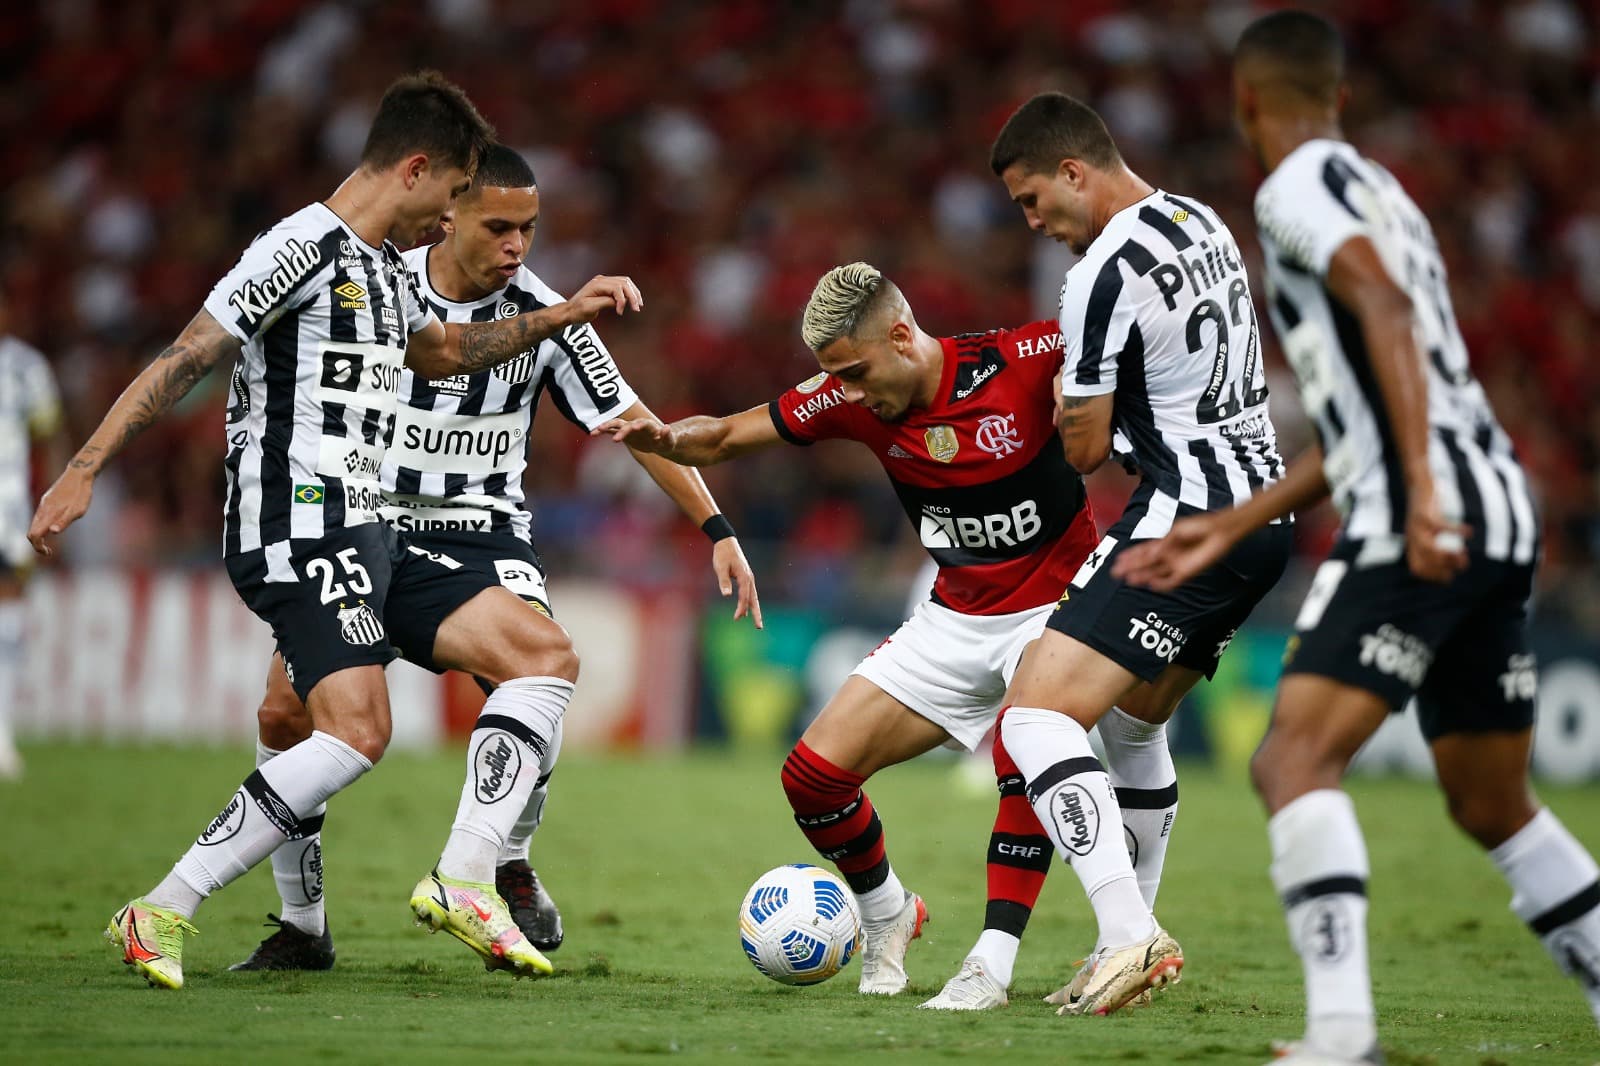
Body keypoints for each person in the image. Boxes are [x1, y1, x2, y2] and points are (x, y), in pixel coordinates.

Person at [29, 71, 645, 991]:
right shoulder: (300, 248)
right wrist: (83, 466)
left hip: (373, 530)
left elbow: (438, 351)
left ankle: (380, 904)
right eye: (449, 196)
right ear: (414, 168)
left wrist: (560, 316)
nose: (451, 219)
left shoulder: (386, 267)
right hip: (296, 522)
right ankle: (163, 906)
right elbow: (191, 353)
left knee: (537, 656)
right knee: (357, 732)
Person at [1112, 11, 1600, 1061]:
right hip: (1498, 503)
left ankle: (1339, 1037)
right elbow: (1381, 387)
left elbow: (1377, 310)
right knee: (1490, 800)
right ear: (1336, 94)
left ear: (1248, 102)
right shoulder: (1389, 196)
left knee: (1292, 757)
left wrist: (1421, 493)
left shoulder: (1293, 190)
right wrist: (1232, 524)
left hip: (1423, 510)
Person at [227, 144, 762, 972]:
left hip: (483, 533)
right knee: (283, 717)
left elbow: (634, 423)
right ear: (449, 216)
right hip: (367, 524)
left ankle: (496, 862)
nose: (519, 245)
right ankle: (303, 927)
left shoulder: (545, 317)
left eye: (531, 228)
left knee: (537, 667)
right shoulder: (379, 286)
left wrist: (717, 528)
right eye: (500, 226)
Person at [598, 262, 1183, 1007]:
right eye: (834, 376)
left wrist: (1091, 395)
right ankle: (887, 913)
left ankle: (990, 963)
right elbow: (723, 436)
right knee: (812, 778)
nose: (847, 390)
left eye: (854, 370)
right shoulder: (850, 399)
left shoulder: (1026, 360)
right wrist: (667, 439)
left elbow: (1125, 365)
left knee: (1022, 746)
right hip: (952, 617)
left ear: (902, 336)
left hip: (1054, 610)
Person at [987, 91, 1292, 1016]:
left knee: (1034, 717)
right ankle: (1126, 947)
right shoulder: (1203, 219)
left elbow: (1079, 449)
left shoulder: (1097, 274)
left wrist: (1075, 410)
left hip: (1185, 521)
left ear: (1074, 171)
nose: (1035, 223)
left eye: (1035, 199)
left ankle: (1129, 932)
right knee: (1134, 724)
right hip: (1263, 520)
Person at [0, 292, 67, 780]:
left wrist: (53, 501)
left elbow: (47, 438)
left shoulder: (25, 367)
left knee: (9, 613)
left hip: (8, 510)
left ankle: (2, 734)